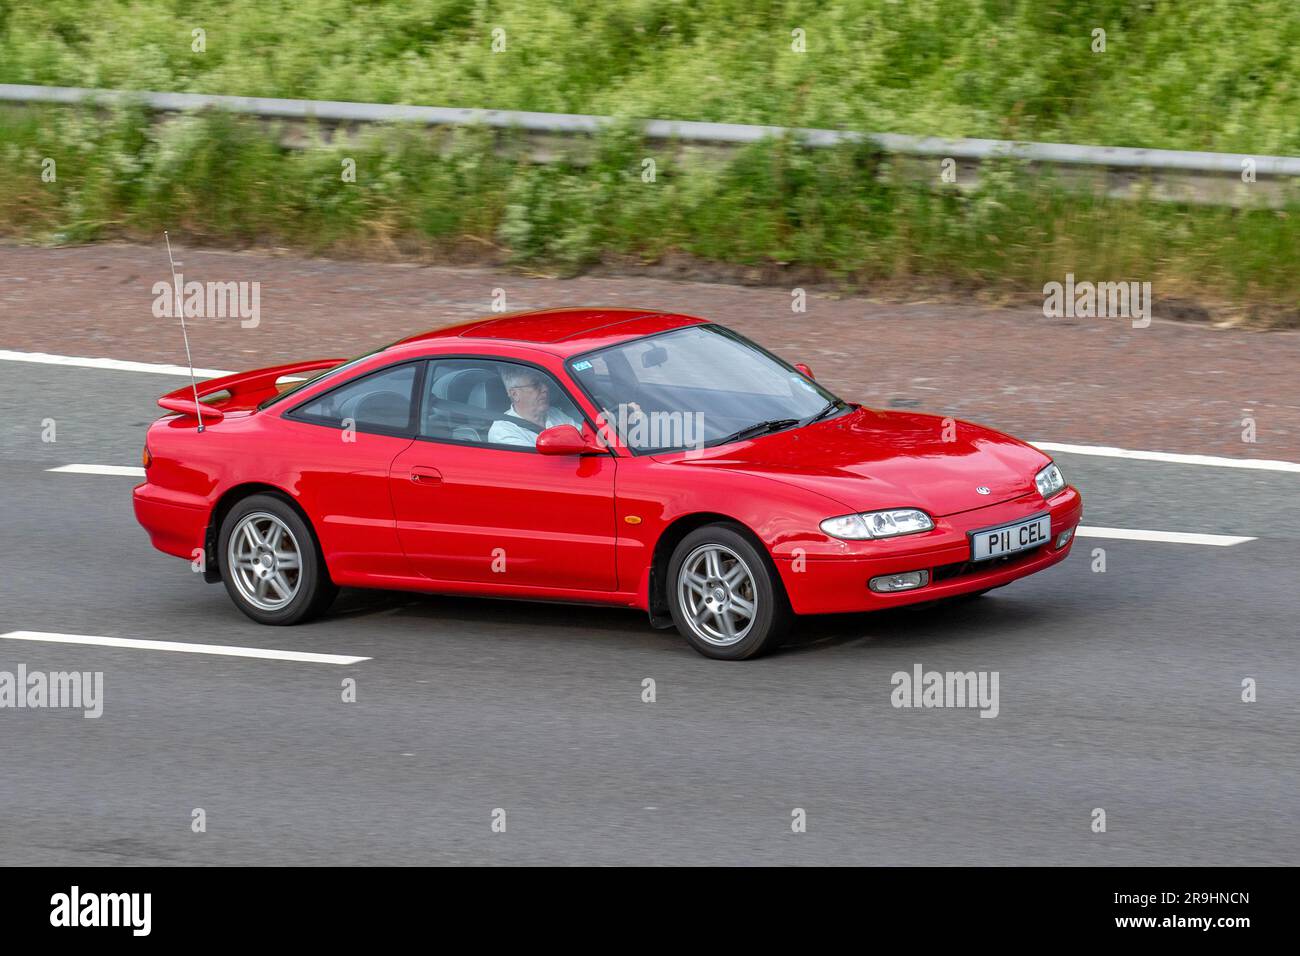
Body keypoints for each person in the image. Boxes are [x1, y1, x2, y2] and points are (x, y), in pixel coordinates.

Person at [489, 367, 582, 447]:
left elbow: (583, 436)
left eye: (545, 382)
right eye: (535, 385)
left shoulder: (553, 413)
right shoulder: (503, 432)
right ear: (515, 394)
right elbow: (541, 465)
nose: (545, 388)